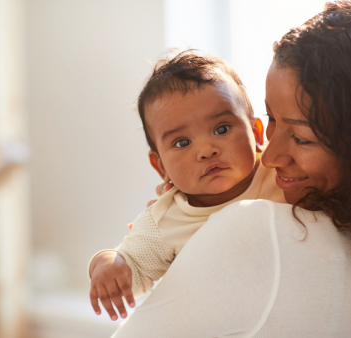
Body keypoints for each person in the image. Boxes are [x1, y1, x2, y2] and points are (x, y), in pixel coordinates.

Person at [111, 1, 351, 337]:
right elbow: (135, 264)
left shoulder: (254, 225)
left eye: (301, 137)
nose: (268, 156)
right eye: (272, 119)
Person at [88, 51, 285, 321]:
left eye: (222, 129)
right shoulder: (165, 218)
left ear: (256, 133)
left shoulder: (281, 172)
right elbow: (134, 268)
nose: (206, 150)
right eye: (182, 143)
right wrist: (107, 262)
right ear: (161, 167)